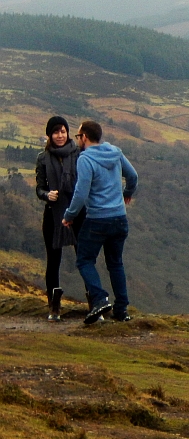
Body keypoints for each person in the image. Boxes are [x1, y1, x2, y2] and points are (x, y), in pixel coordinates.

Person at [62, 120, 139, 324]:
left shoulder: (85, 159)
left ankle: (99, 298)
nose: (78, 140)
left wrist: (69, 215)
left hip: (97, 219)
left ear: (85, 137)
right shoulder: (115, 152)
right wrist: (127, 193)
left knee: (84, 260)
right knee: (115, 263)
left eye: (78, 136)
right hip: (119, 219)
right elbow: (133, 176)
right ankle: (121, 310)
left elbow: (81, 192)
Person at [34, 115, 85, 320]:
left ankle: (93, 302)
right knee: (53, 261)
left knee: (83, 259)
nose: (60, 135)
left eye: (63, 131)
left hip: (78, 214)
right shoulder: (42, 158)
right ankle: (54, 307)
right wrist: (47, 195)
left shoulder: (80, 154)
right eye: (56, 131)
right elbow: (39, 188)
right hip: (53, 215)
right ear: (49, 135)